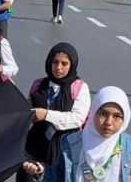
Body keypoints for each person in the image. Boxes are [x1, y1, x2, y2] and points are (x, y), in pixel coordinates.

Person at [24, 86, 131, 182]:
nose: (109, 122)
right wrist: (40, 173)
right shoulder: (68, 145)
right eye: (103, 114)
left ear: (125, 118)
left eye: (117, 116)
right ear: (93, 112)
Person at [16, 42, 90, 182]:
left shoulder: (79, 88)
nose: (59, 67)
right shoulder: (39, 85)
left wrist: (46, 114)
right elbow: (27, 111)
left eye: (64, 63)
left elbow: (77, 118)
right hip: (35, 148)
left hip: (64, 152)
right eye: (55, 62)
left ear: (72, 65)